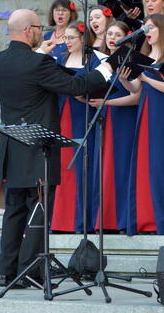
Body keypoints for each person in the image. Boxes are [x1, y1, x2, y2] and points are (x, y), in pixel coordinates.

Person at [0, 9, 111, 287]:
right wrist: (104, 71)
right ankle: (28, 271)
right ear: (30, 31)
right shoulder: (37, 64)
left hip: (12, 147)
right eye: (38, 28)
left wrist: (40, 55)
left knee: (13, 212)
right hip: (37, 150)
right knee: (38, 212)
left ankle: (5, 272)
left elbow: (28, 75)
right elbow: (75, 84)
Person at [122, 14, 164, 235]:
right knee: (145, 163)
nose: (148, 32)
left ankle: (162, 220)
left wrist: (148, 80)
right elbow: (136, 89)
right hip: (146, 111)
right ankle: (145, 219)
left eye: (151, 28)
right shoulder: (142, 56)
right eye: (145, 28)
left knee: (162, 164)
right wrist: (123, 78)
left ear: (162, 30)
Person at [89, 21, 139, 233]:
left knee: (119, 166)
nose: (111, 38)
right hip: (104, 117)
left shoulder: (129, 59)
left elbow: (136, 94)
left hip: (123, 118)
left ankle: (120, 219)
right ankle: (104, 219)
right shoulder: (99, 60)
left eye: (117, 34)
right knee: (104, 166)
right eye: (109, 33)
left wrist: (107, 102)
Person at [50, 22, 98, 234]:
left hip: (82, 116)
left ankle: (80, 221)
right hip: (62, 115)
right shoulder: (60, 59)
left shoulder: (93, 59)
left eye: (71, 38)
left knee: (80, 166)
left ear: (82, 39)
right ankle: (59, 221)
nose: (67, 42)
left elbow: (100, 85)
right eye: (66, 38)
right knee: (60, 166)